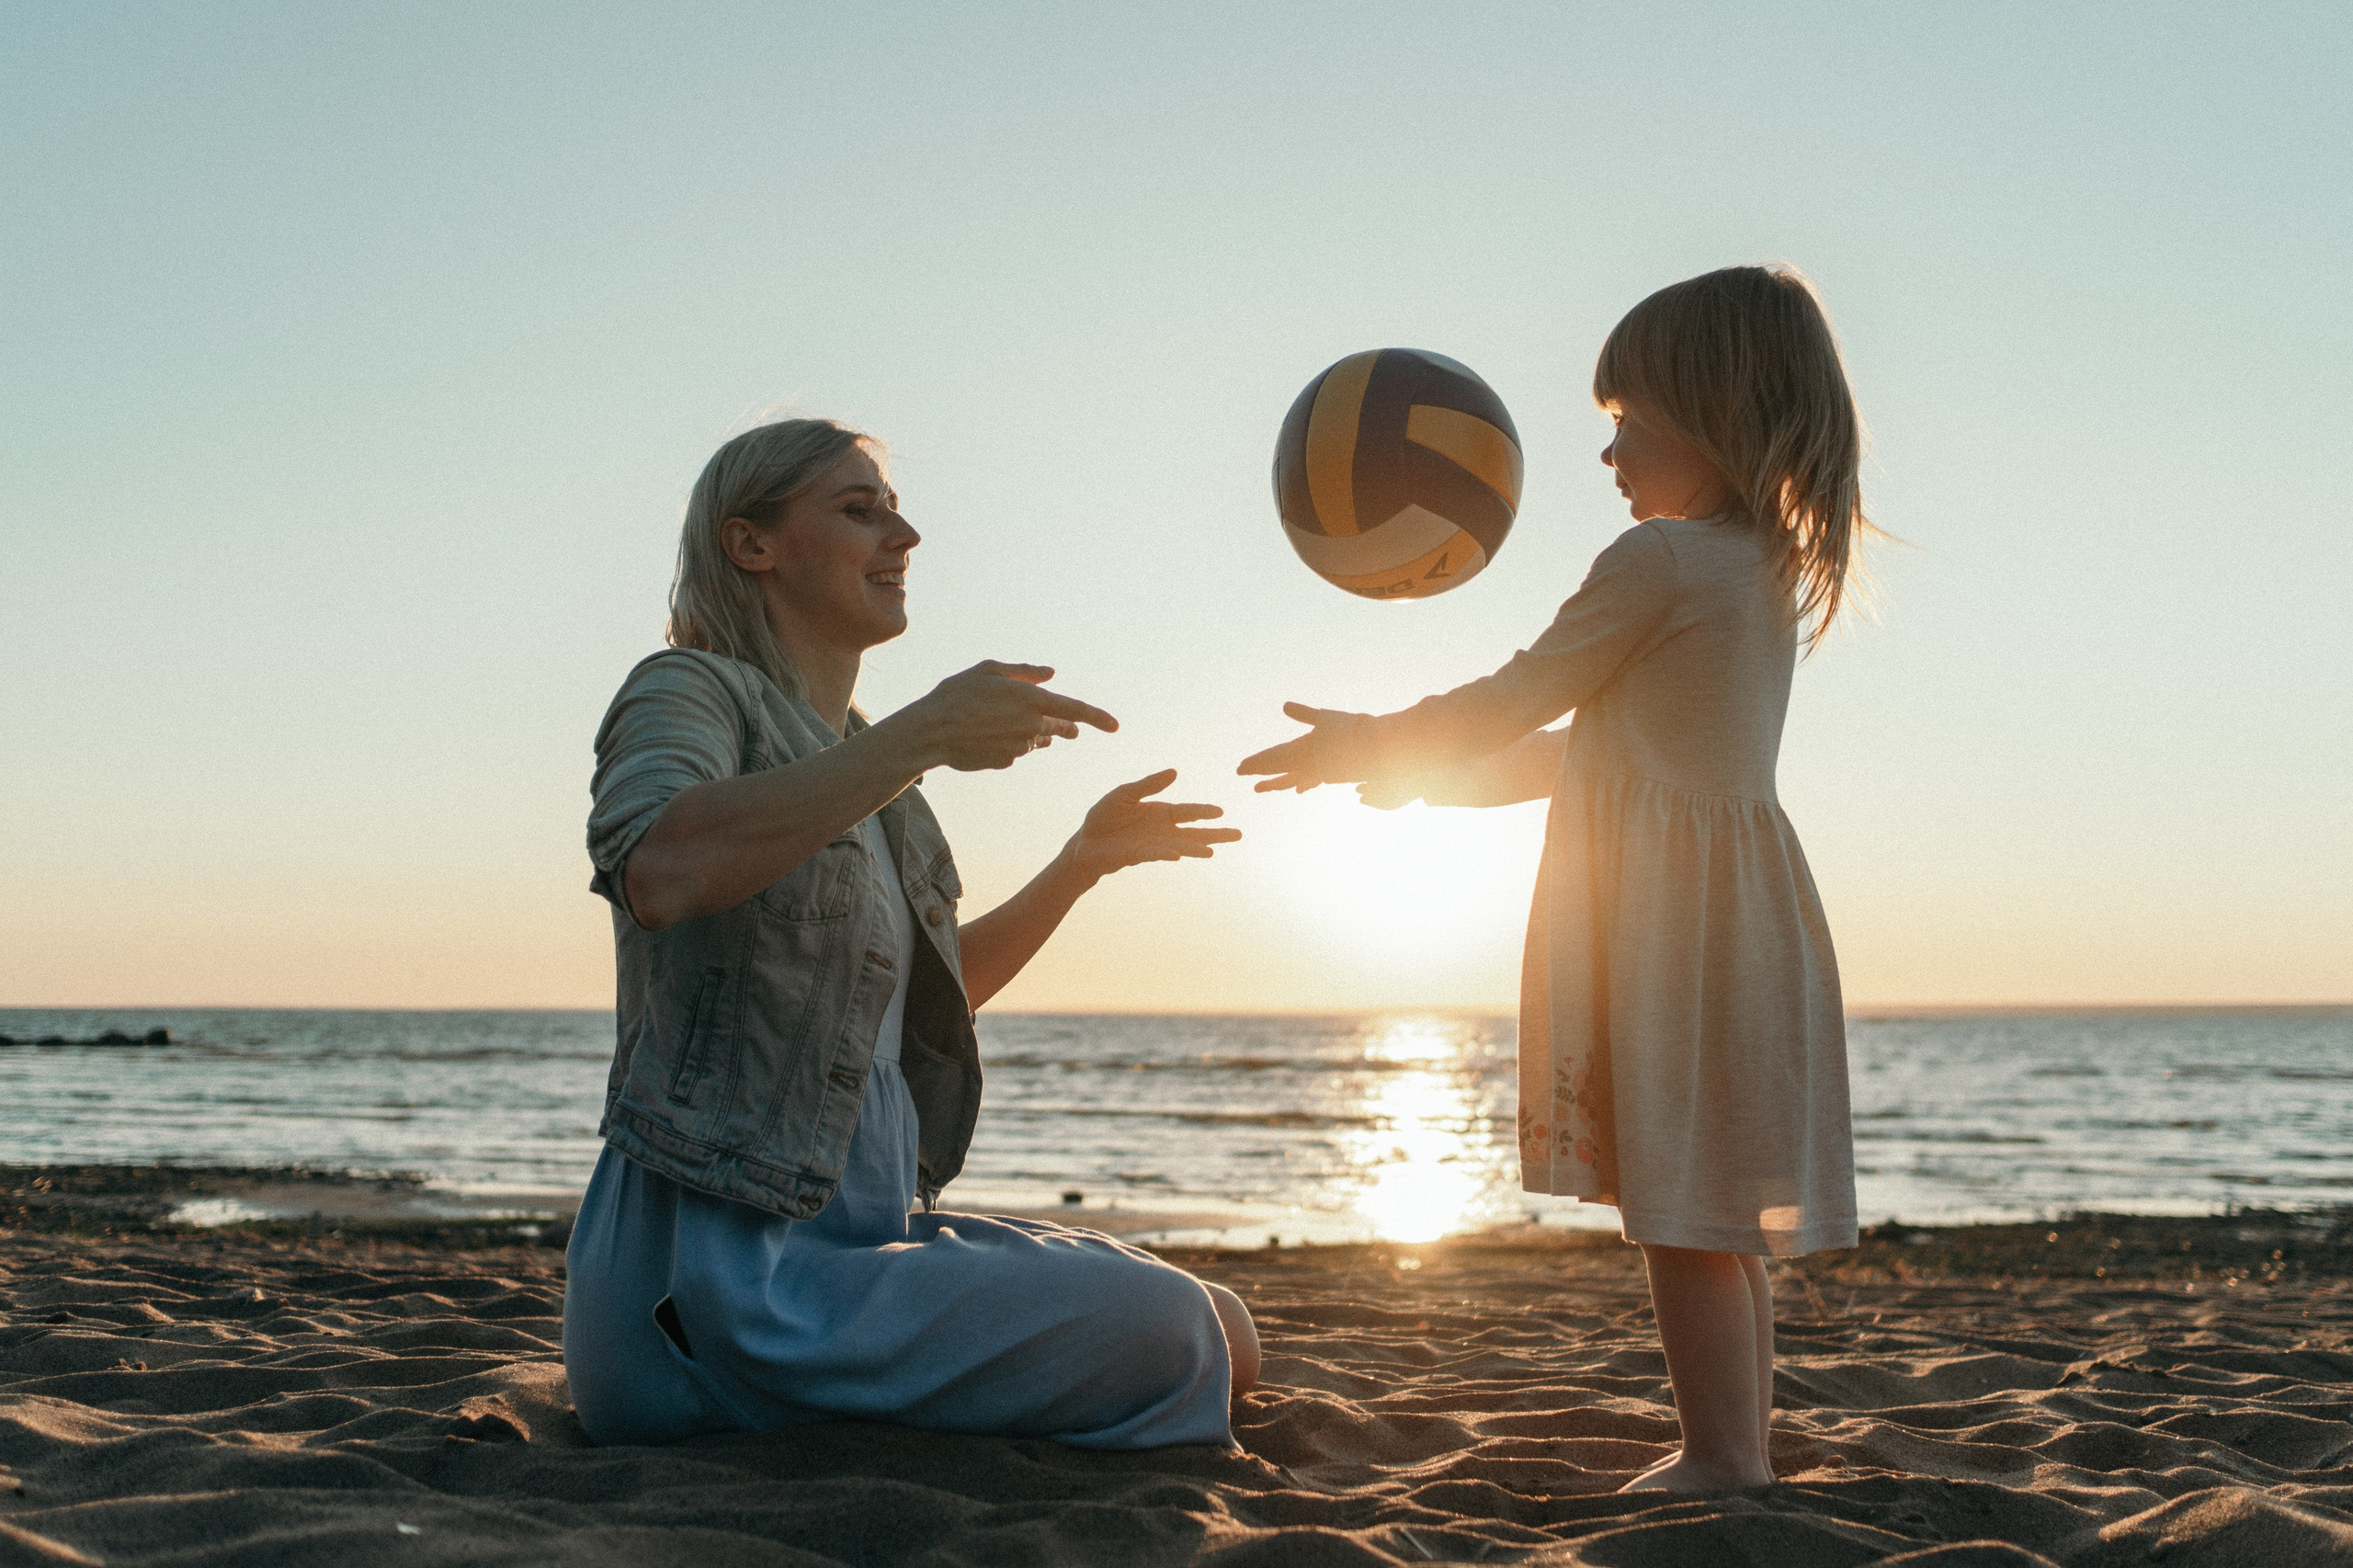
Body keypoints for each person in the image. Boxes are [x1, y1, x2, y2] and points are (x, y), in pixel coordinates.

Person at [1239, 266, 1870, 1492]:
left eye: (1626, 420)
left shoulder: (1663, 561)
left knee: (1676, 1209)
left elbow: (1518, 696)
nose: (1608, 453)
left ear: (1715, 413)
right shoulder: (1763, 573)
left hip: (1667, 922)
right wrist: (1422, 781)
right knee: (1710, 1204)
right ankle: (1739, 1450)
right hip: (1746, 913)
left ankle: (1721, 1455)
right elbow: (1588, 754)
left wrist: (1373, 738)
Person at [565, 417, 1257, 1450]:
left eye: (889, 506)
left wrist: (1079, 862)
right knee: (1170, 1332)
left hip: (857, 1241)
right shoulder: (691, 688)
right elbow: (661, 868)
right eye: (860, 509)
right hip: (716, 1285)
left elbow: (907, 1011)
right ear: (750, 543)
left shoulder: (869, 769)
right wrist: (924, 734)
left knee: (1227, 1324)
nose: (906, 534)